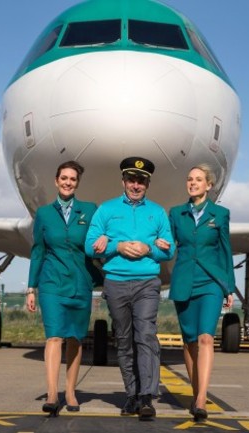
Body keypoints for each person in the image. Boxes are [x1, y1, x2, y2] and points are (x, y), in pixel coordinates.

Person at [84, 156, 175, 420]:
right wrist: (117, 246)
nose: (136, 185)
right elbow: (89, 245)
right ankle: (131, 395)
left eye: (141, 181)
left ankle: (147, 397)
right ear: (123, 180)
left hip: (147, 283)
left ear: (147, 183)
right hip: (116, 283)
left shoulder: (157, 212)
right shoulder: (106, 210)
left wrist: (150, 249)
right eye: (131, 179)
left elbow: (169, 250)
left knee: (145, 336)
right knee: (124, 340)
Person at [25, 160, 102, 417]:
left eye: (73, 179)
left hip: (80, 283)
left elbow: (99, 240)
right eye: (64, 178)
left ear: (76, 183)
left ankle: (70, 390)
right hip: (51, 283)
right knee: (54, 336)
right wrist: (31, 288)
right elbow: (38, 252)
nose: (68, 182)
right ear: (56, 181)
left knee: (75, 338)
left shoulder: (90, 211)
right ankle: (51, 393)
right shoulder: (44, 214)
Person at [167, 164, 235, 422]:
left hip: (211, 281)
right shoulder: (176, 214)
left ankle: (200, 398)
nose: (193, 183)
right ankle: (197, 391)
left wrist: (228, 285)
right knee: (190, 341)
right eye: (190, 179)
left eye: (198, 180)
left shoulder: (220, 214)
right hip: (184, 281)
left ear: (209, 185)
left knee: (206, 337)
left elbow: (225, 250)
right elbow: (168, 245)